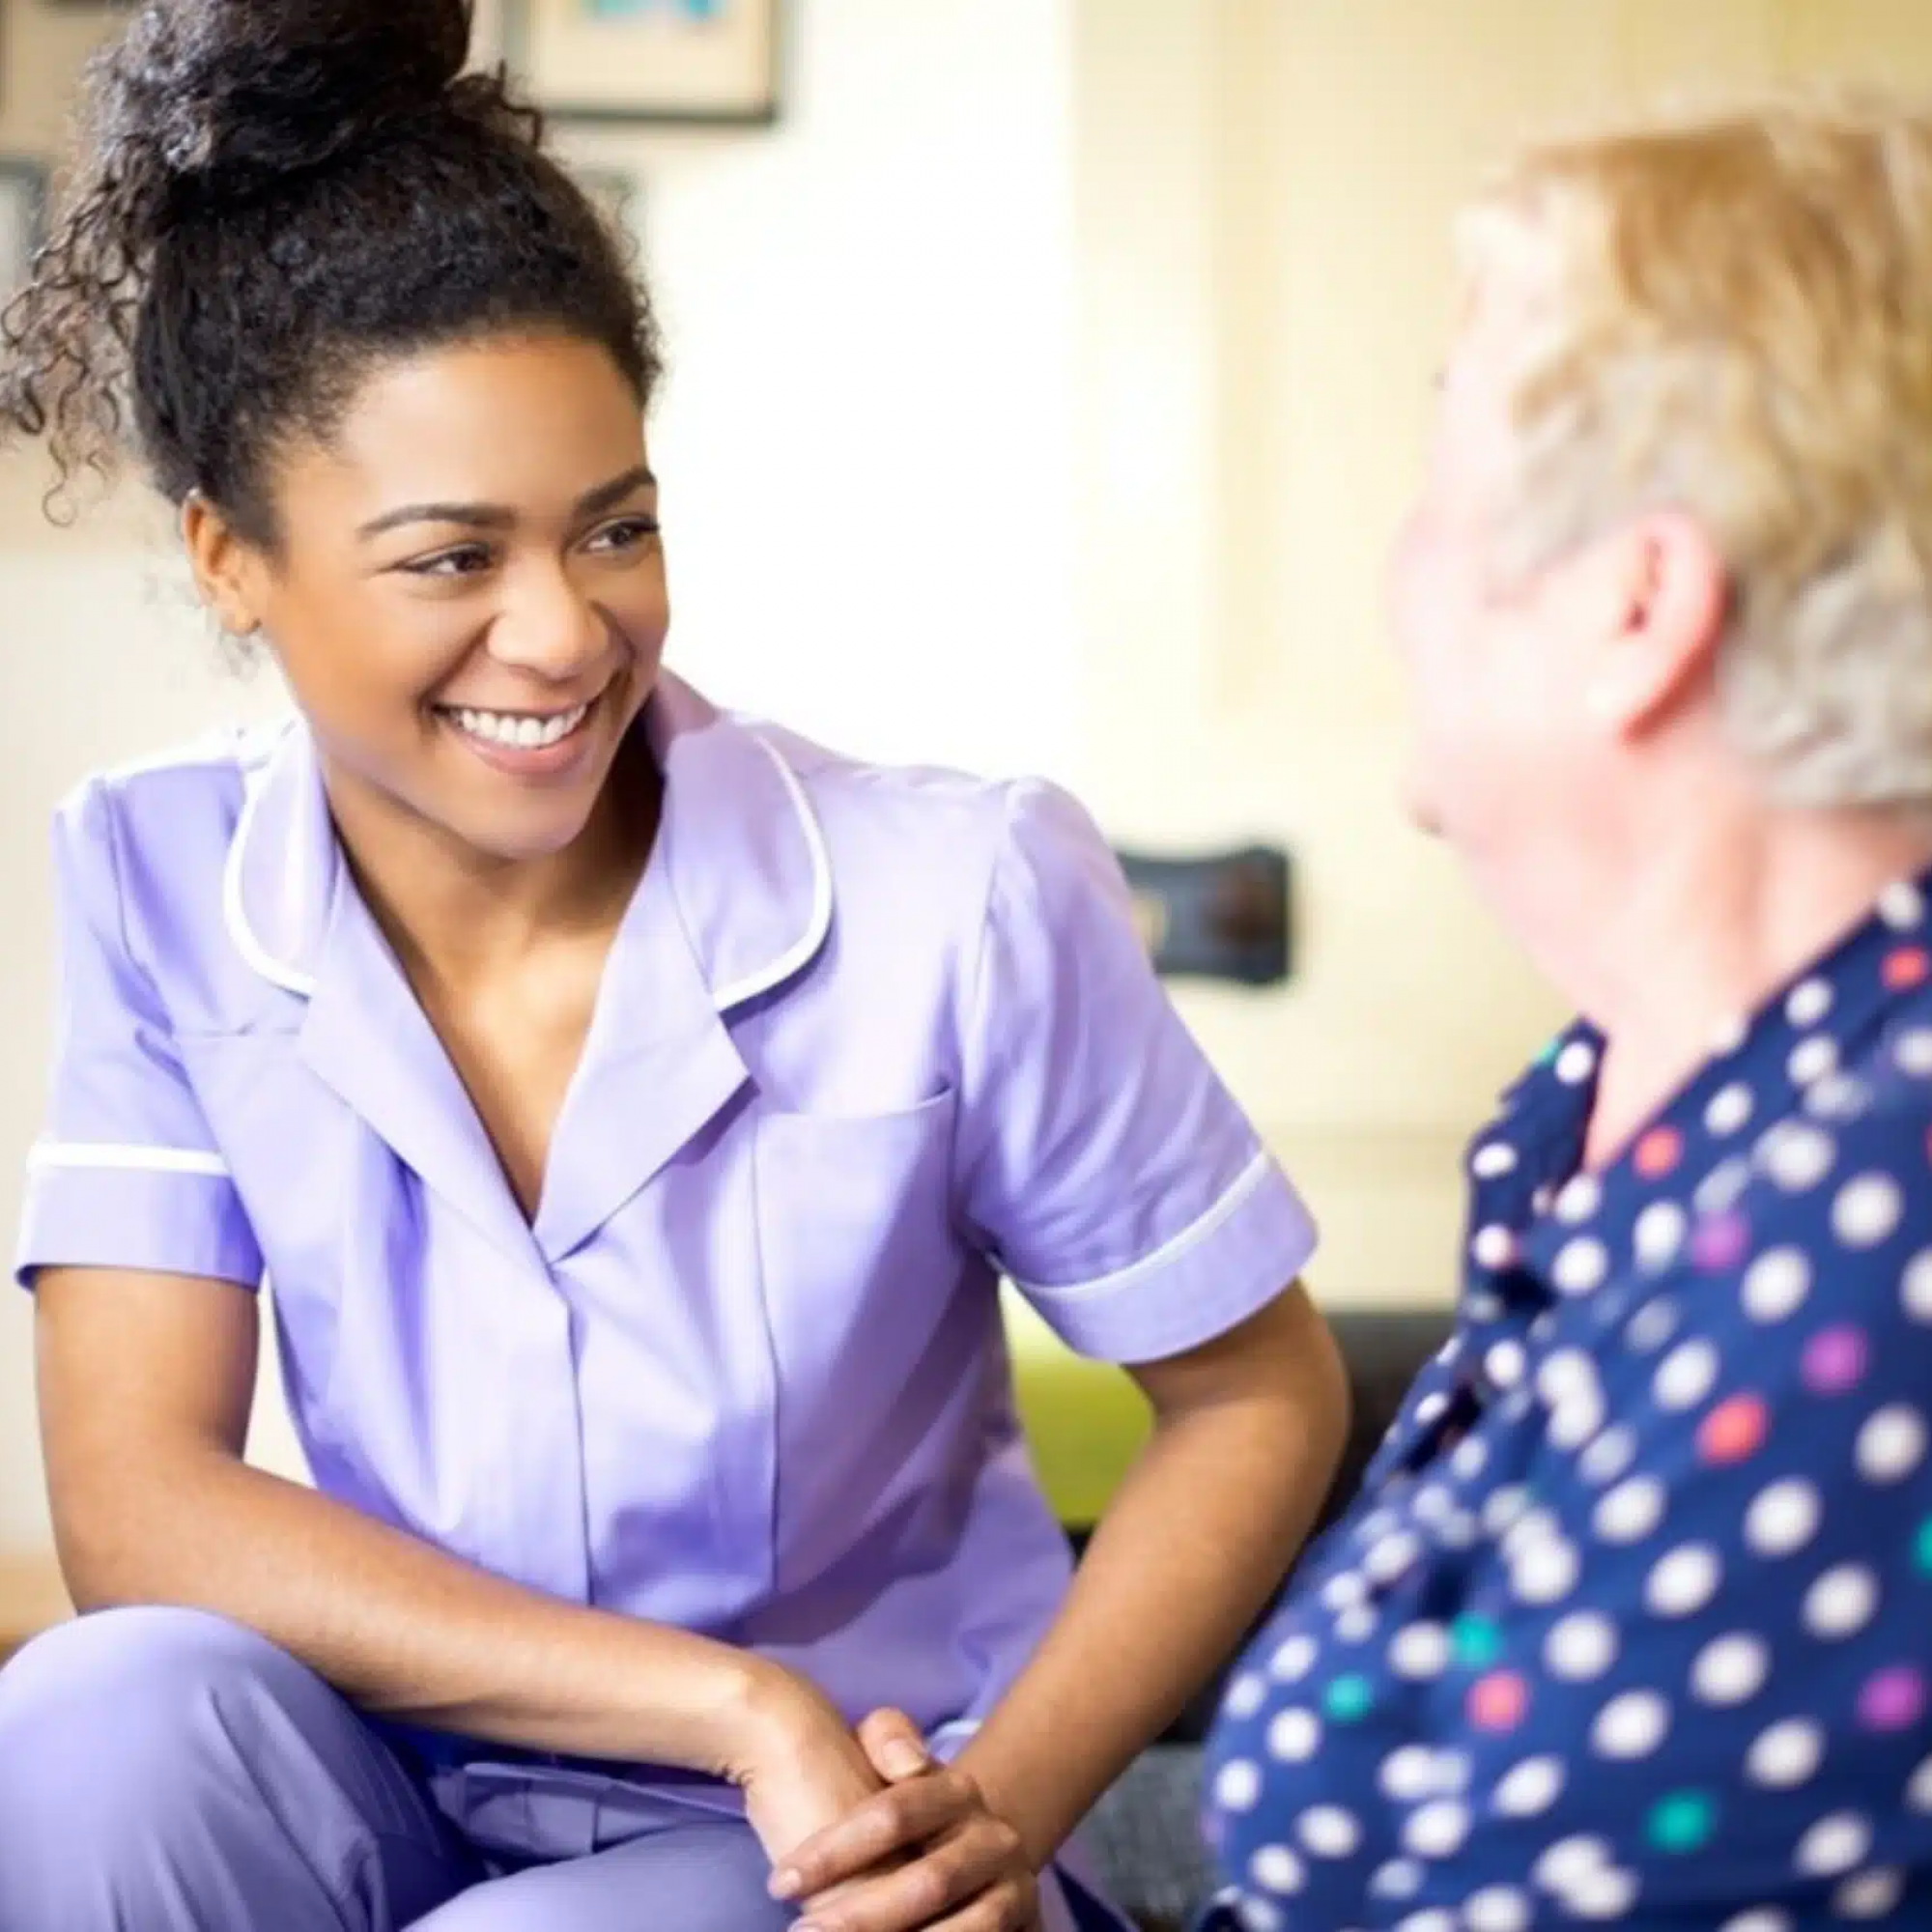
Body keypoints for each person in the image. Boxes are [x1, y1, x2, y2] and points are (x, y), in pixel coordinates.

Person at [0, 4, 1350, 1928]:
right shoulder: (155, 873)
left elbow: (1257, 1395)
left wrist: (999, 1813)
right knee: (89, 1716)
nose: (561, 632)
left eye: (612, 527)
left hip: (831, 1846)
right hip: (420, 1771)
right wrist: (724, 1701)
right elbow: (140, 1504)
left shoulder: (953, 890)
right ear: (231, 560)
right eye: (450, 559)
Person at [1201, 92, 1932, 1932]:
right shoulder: (1606, 1096)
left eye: (1446, 470)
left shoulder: (1880, 1219)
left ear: (1640, 605)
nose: (1399, 563)